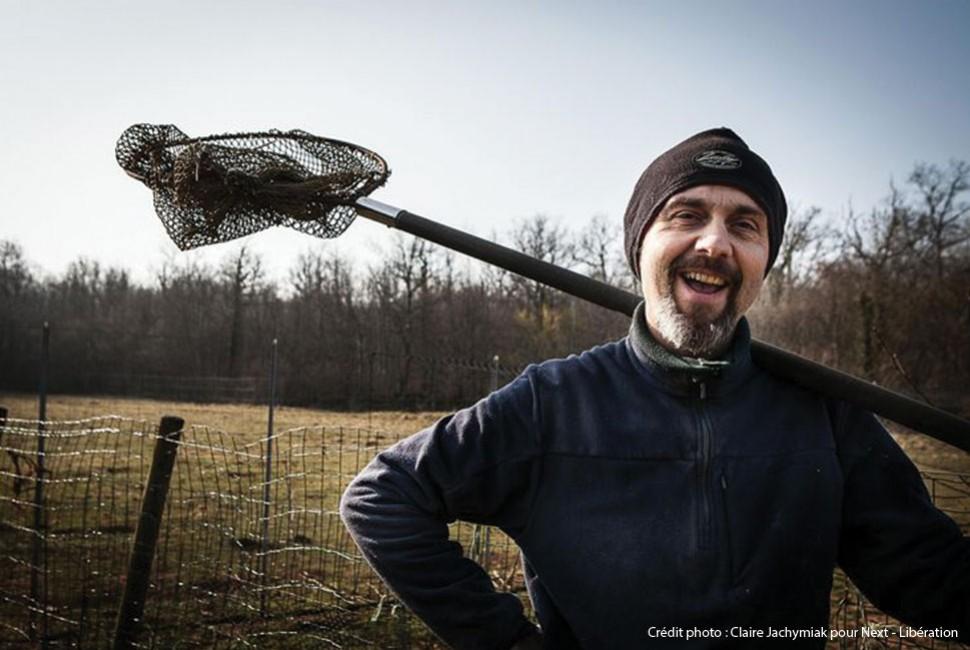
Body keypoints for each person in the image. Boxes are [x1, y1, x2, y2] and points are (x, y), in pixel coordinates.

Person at [340, 128, 970, 649]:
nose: (716, 241)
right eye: (687, 215)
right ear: (641, 247)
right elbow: (382, 496)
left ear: (762, 263)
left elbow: (930, 578)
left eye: (745, 226)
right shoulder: (553, 403)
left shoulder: (827, 416)